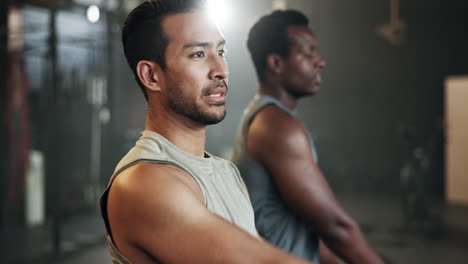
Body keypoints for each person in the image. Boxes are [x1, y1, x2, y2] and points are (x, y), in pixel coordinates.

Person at [99, 1, 315, 264]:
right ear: (151, 76)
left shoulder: (227, 172)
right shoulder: (143, 182)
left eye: (221, 51)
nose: (221, 70)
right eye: (198, 54)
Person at [232, 10, 384, 264]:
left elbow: (305, 227)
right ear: (276, 64)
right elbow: (337, 228)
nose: (320, 62)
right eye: (308, 53)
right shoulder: (277, 127)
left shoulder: (261, 115)